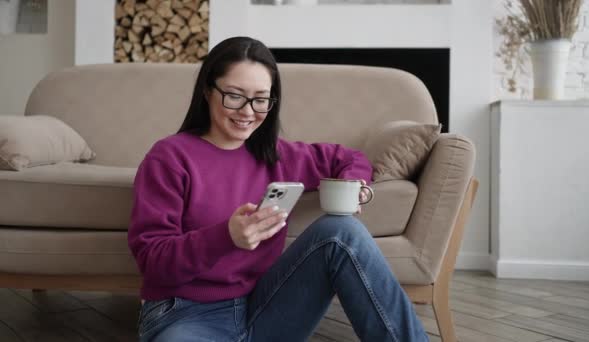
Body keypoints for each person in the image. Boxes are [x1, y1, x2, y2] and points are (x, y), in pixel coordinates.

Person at [128, 36, 428, 342]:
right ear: (208, 90)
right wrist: (226, 236)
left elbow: (351, 158)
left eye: (261, 99)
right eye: (234, 95)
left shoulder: (278, 155)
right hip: (185, 313)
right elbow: (154, 264)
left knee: (343, 231)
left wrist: (355, 187)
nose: (248, 111)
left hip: (266, 307)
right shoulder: (169, 158)